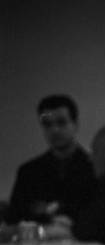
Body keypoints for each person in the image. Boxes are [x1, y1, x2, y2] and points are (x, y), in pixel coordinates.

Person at [5, 94, 95, 228]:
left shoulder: (94, 168)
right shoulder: (28, 171)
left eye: (61, 122)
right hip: (41, 244)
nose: (54, 130)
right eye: (47, 124)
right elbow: (13, 217)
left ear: (75, 125)